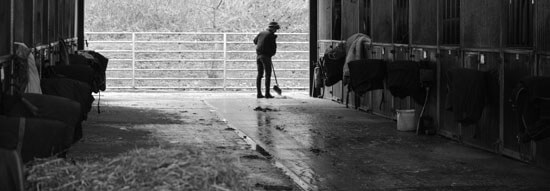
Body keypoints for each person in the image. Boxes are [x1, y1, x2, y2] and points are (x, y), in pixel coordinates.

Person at [253, 21, 280, 98]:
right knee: (268, 75)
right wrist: (271, 54)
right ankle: (267, 94)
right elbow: (273, 47)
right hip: (266, 56)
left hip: (258, 56)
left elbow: (255, 41)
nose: (276, 31)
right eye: (276, 29)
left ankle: (259, 93)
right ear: (273, 28)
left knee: (259, 75)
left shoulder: (261, 33)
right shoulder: (271, 35)